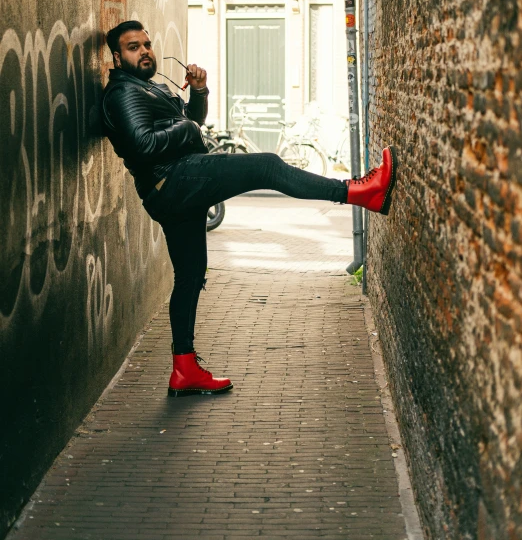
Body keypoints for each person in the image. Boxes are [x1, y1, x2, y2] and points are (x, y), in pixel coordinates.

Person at [102, 20, 397, 398]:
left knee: (190, 276)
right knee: (267, 166)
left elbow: (192, 118)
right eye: (132, 47)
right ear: (116, 56)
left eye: (146, 44)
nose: (144, 51)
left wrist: (200, 91)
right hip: (174, 181)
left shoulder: (147, 86)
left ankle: (184, 369)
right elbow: (143, 144)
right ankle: (359, 192)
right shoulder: (122, 94)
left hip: (173, 189)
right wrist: (188, 130)